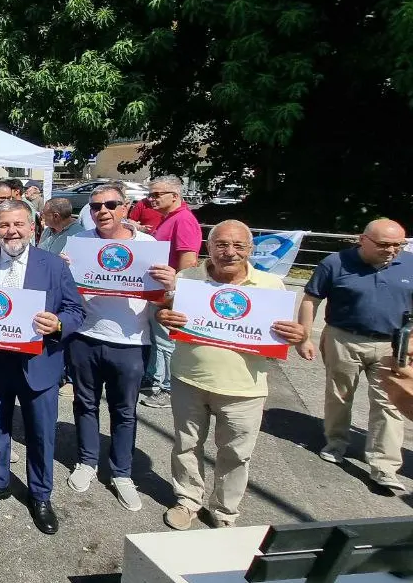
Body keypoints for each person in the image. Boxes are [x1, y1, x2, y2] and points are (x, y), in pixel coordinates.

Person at [155, 220, 307, 528]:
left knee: (236, 454)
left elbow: (279, 335)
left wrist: (297, 334)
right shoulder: (189, 278)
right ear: (208, 248)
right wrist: (164, 314)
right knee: (186, 445)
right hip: (189, 378)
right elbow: (168, 315)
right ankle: (187, 500)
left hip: (244, 387)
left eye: (239, 246)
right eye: (221, 244)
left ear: (251, 249)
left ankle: (224, 511)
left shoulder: (271, 286)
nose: (229, 252)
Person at [0, 200, 85, 535]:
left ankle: (40, 495)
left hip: (38, 363)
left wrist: (58, 324)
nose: (11, 231)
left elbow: (76, 310)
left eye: (18, 224)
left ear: (32, 227)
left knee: (41, 433)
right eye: (3, 225)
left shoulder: (53, 265)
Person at [65, 185, 175, 512]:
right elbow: (65, 289)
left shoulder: (148, 246)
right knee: (85, 404)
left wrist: (170, 287)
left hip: (131, 342)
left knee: (124, 411)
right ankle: (86, 461)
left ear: (125, 207)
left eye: (111, 204)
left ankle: (121, 472)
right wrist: (62, 269)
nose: (103, 210)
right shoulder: (80, 243)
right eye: (96, 205)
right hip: (85, 337)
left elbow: (163, 299)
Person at [297, 217, 411, 492]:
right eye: (384, 244)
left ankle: (384, 466)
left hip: (392, 345)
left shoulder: (410, 264)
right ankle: (336, 442)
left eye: (399, 244)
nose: (392, 250)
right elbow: (311, 300)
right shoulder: (335, 263)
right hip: (343, 339)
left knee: (389, 403)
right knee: (339, 394)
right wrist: (304, 337)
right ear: (363, 240)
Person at [142, 175, 202, 409]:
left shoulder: (183, 220)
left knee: (167, 342)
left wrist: (174, 293)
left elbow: (188, 262)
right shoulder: (170, 218)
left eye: (157, 194)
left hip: (169, 294)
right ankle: (157, 380)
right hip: (159, 292)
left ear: (175, 196)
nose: (151, 199)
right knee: (159, 340)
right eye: (150, 194)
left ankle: (168, 388)